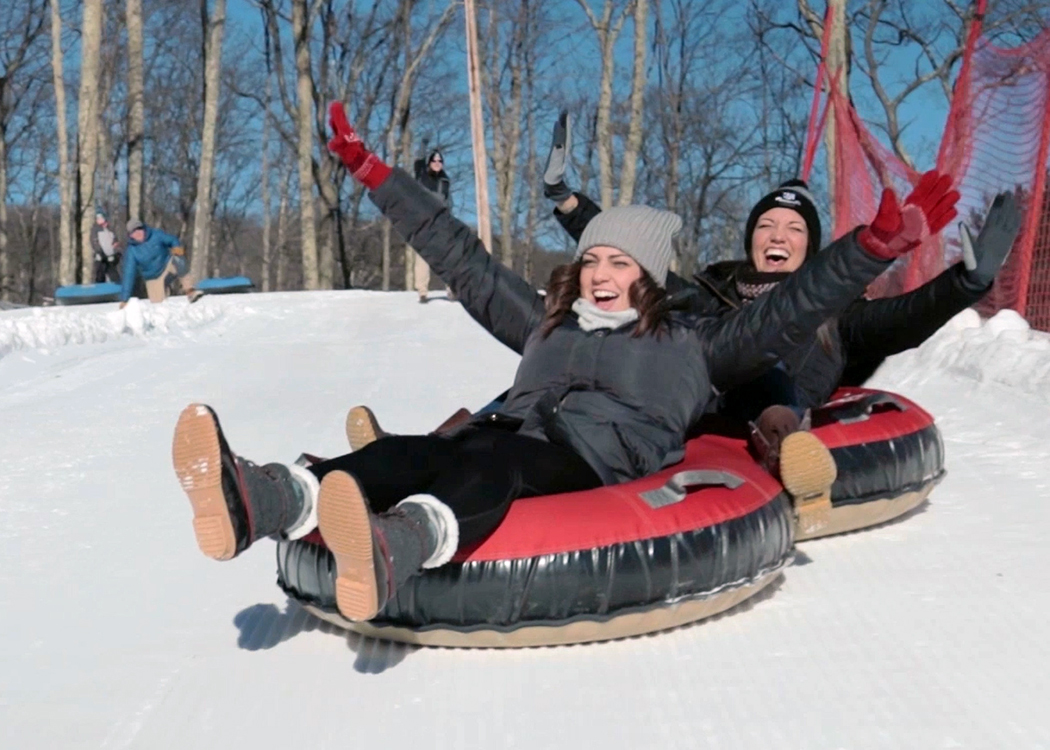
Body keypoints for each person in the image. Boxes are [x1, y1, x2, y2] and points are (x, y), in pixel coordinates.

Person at [171, 101, 948, 625]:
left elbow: (790, 309)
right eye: (592, 260)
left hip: (593, 458)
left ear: (647, 276)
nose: (601, 273)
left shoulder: (694, 344)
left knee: (494, 459)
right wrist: (378, 177)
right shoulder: (548, 322)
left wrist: (872, 248)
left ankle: (398, 543)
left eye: (618, 262)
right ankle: (269, 497)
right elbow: (462, 259)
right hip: (518, 432)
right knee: (428, 448)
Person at [540, 110, 1020, 474]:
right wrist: (567, 201)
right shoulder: (714, 291)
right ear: (751, 239)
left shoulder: (836, 309)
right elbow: (635, 264)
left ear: (810, 246)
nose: (776, 235)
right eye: (766, 225)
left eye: (792, 229)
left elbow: (903, 318)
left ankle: (785, 446)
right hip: (697, 399)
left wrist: (965, 283)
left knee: (764, 372)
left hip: (774, 403)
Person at [119, 219, 203, 308]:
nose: (138, 233)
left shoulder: (156, 234)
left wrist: (176, 246)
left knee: (179, 259)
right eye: (133, 232)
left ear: (143, 228)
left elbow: (172, 239)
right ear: (130, 235)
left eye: (139, 229)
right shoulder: (131, 251)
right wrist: (124, 299)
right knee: (159, 307)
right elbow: (129, 274)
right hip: (153, 278)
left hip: (167, 266)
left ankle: (190, 291)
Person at [411, 148, 453, 303]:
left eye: (439, 161)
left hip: (441, 222)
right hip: (423, 221)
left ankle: (451, 289)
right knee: (423, 257)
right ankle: (422, 291)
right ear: (429, 163)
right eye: (434, 161)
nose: (437, 163)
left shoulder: (445, 181)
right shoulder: (422, 176)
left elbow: (448, 201)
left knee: (447, 256)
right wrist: (423, 145)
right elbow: (418, 162)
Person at [90, 211, 121, 284]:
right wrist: (100, 252)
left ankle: (116, 287)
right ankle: (99, 290)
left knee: (113, 274)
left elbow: (115, 241)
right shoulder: (95, 230)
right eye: (97, 218)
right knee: (100, 274)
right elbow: (94, 242)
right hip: (101, 257)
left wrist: (117, 251)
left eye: (100, 218)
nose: (99, 220)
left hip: (111, 256)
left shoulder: (110, 229)